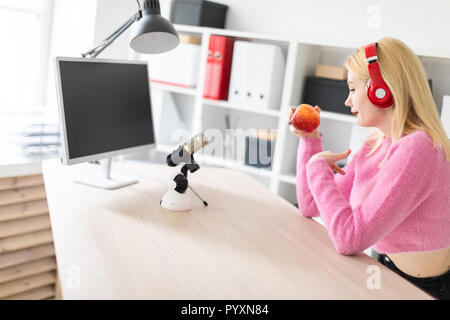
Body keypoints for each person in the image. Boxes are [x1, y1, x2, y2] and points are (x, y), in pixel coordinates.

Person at [290, 37, 450, 300]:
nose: (347, 101)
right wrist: (310, 141)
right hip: (389, 270)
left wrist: (318, 166)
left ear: (381, 90)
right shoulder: (375, 145)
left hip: (427, 290)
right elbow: (310, 204)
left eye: (352, 89)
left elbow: (349, 238)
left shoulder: (418, 148)